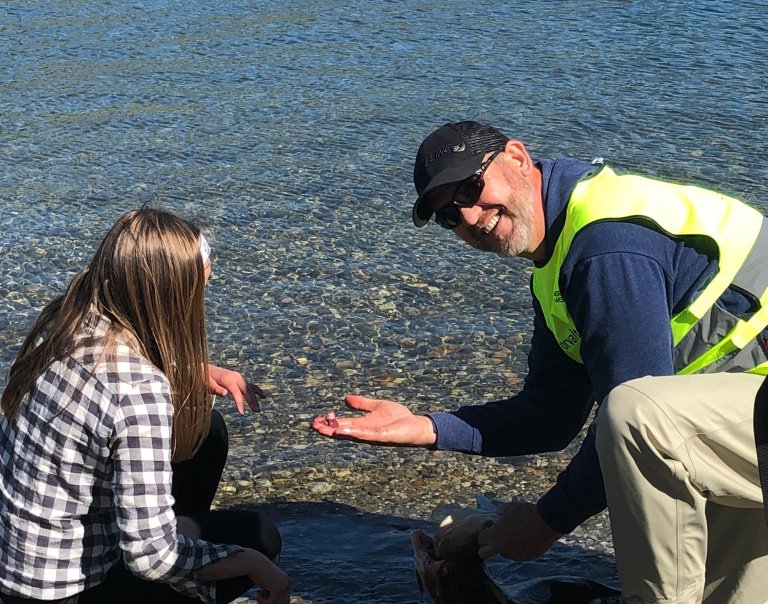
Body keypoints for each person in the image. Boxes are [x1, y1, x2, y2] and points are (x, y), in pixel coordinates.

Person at [311, 121, 768, 603]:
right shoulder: (558, 259)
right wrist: (426, 427)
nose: (469, 215)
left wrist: (546, 521)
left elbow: (631, 427)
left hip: (752, 415)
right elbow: (552, 415)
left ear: (517, 156)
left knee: (639, 417)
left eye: (471, 187)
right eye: (449, 214)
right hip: (744, 416)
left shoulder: (604, 248)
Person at [0, 208, 291, 604]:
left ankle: (164, 522)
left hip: (20, 558)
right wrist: (253, 563)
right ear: (172, 301)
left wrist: (194, 369)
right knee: (261, 536)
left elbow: (107, 378)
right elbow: (152, 557)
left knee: (208, 431)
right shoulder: (137, 389)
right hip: (66, 590)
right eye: (198, 292)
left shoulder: (65, 318)